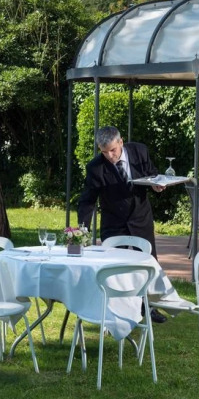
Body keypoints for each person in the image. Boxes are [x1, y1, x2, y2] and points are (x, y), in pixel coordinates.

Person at [77, 125, 167, 323]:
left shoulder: (139, 151)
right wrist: (82, 230)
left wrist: (157, 185)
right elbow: (87, 200)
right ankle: (114, 311)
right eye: (104, 152)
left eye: (113, 150)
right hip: (113, 222)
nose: (110, 156)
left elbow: (152, 174)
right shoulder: (95, 167)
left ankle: (148, 308)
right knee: (113, 269)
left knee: (147, 264)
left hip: (140, 218)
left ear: (121, 142)